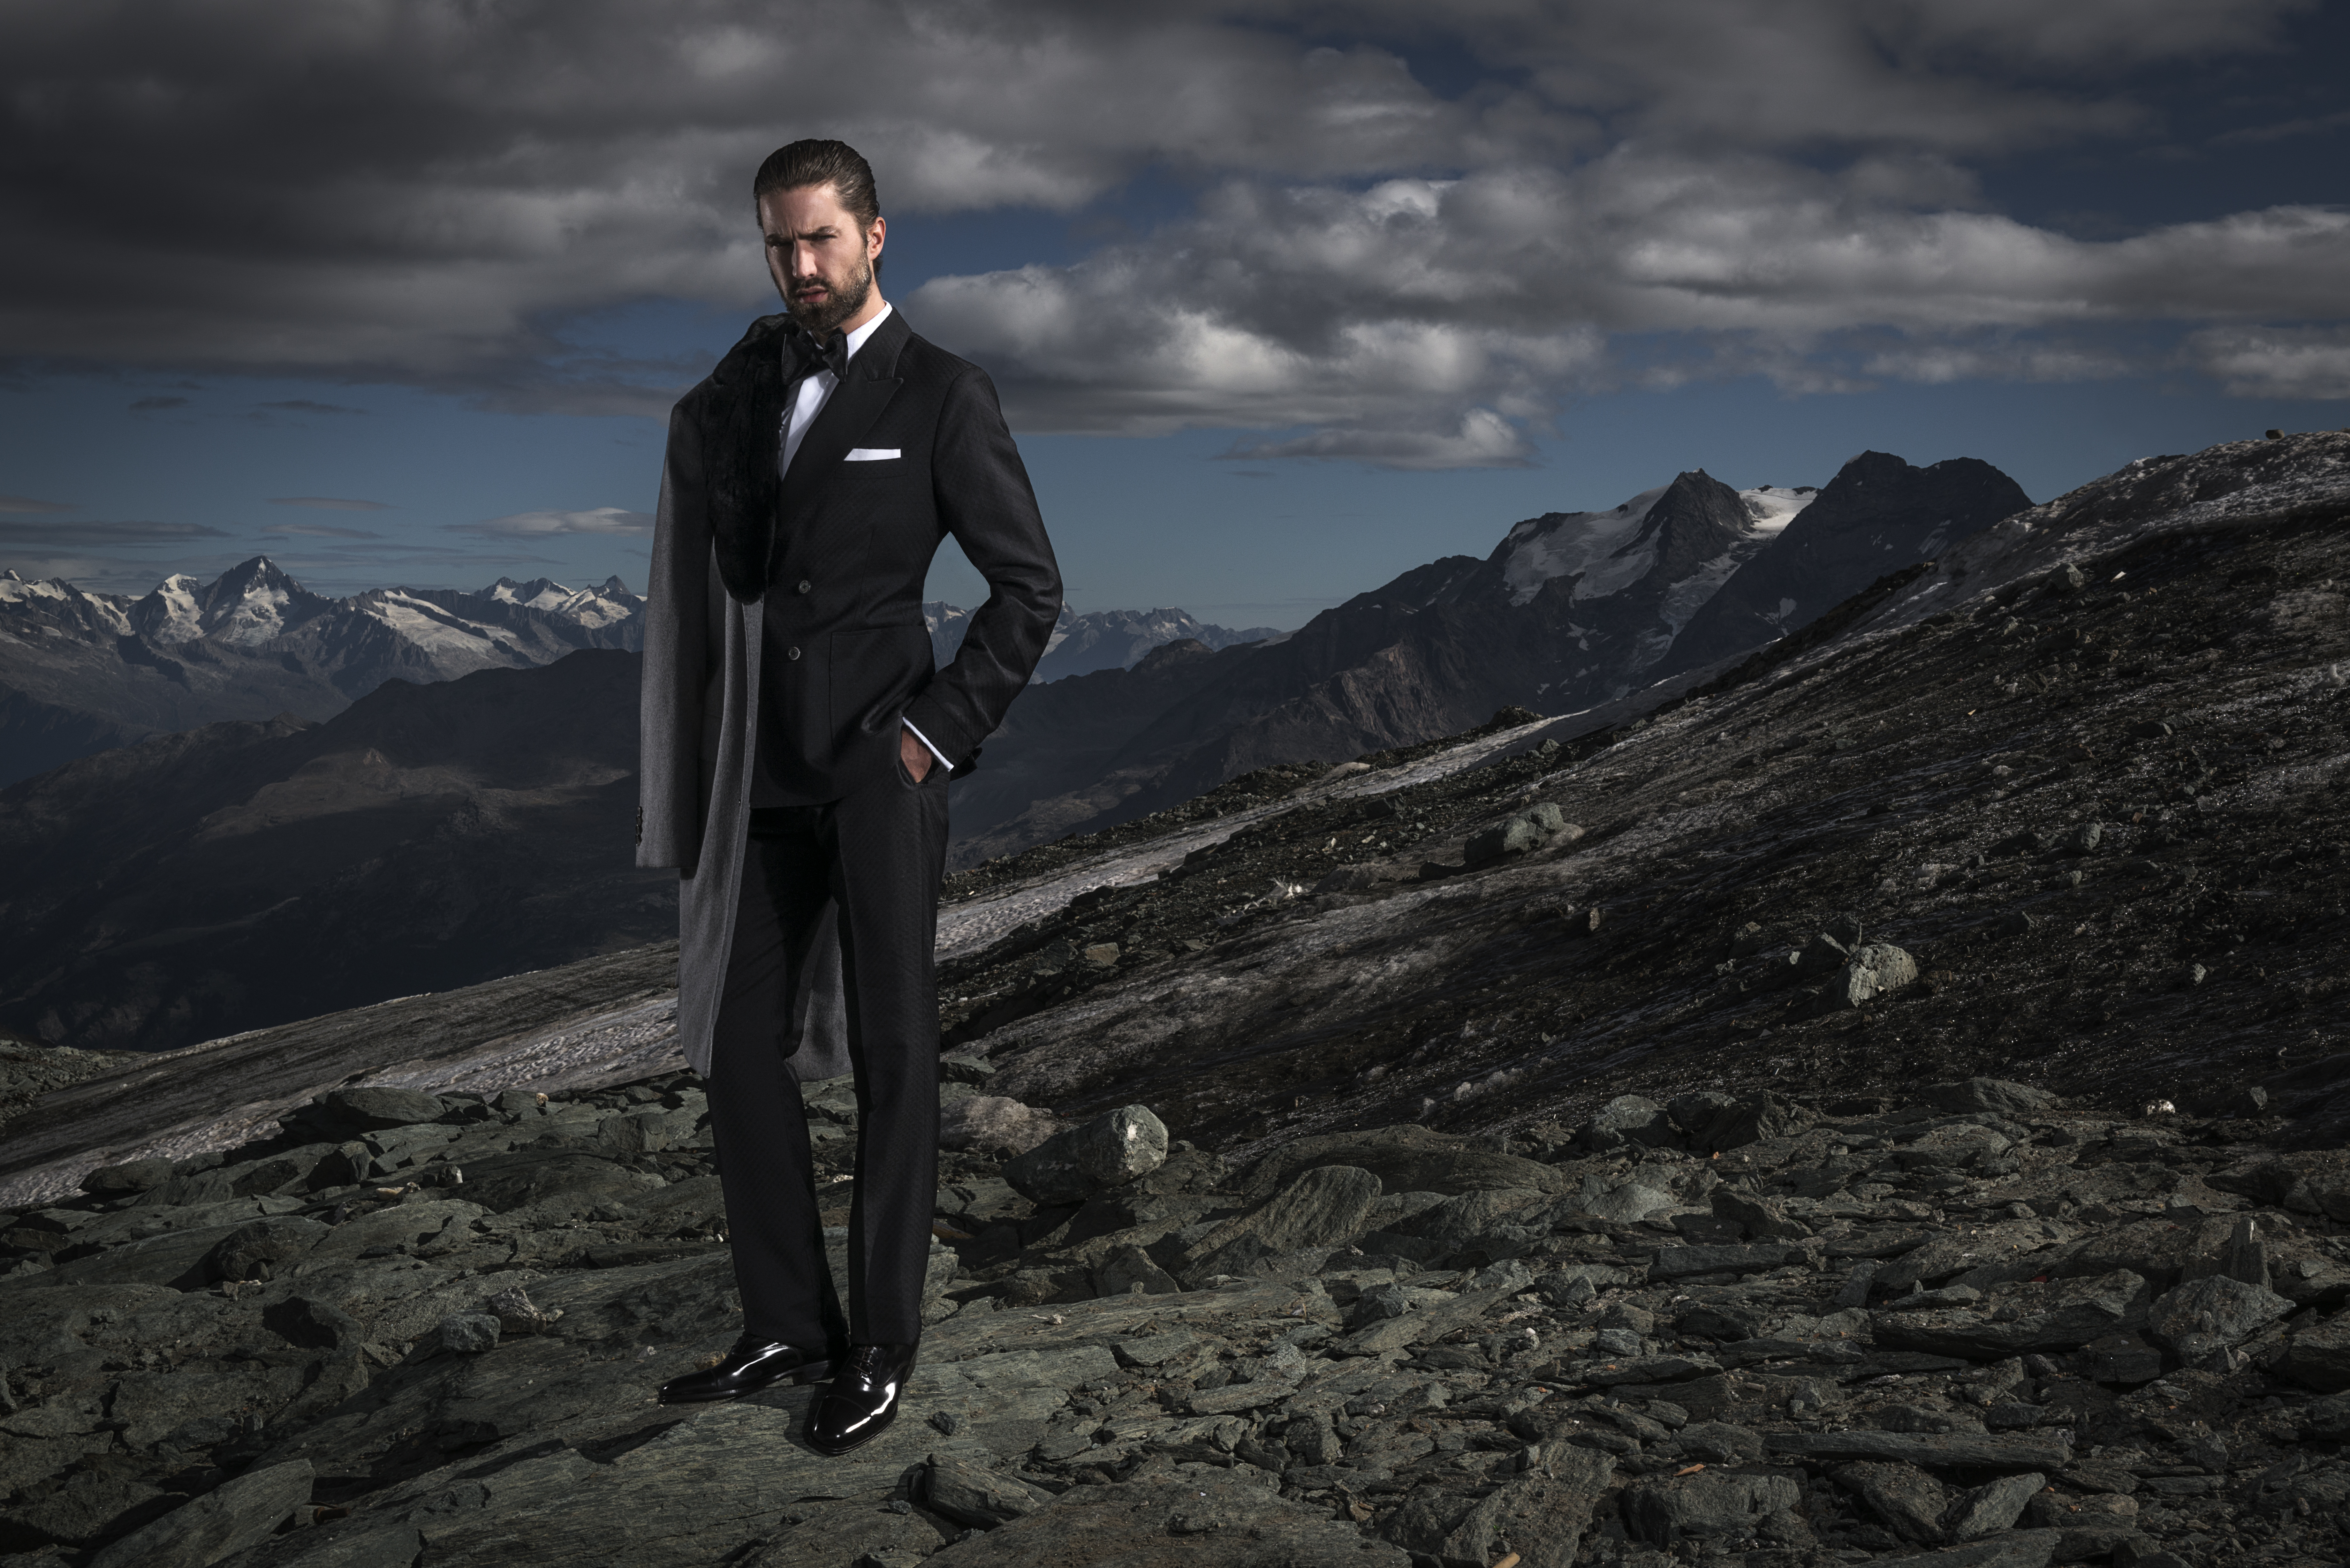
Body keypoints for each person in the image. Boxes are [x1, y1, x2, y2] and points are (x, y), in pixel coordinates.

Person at [634, 138, 1061, 1456]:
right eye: (778, 242)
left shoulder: (942, 392)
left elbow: (1029, 588)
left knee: (893, 1054)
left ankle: (881, 1344)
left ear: (876, 237)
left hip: (881, 771)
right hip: (758, 775)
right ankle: (786, 1321)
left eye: (819, 237)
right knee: (733, 1046)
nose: (798, 264)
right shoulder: (736, 397)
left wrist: (932, 737)